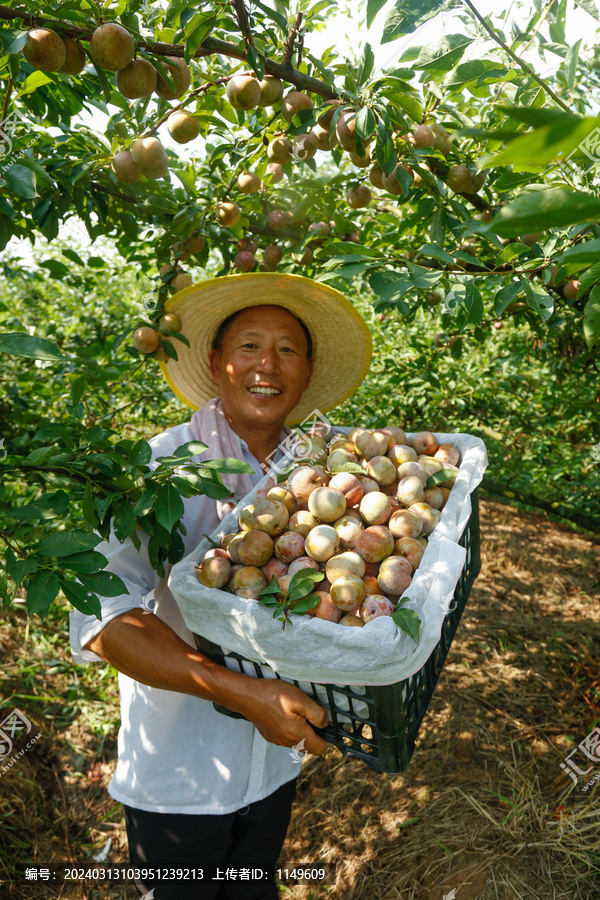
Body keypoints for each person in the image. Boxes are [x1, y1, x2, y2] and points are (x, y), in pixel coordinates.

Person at [69, 272, 372, 899]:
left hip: (272, 770)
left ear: (308, 370)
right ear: (216, 362)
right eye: (249, 346)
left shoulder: (318, 472)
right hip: (181, 774)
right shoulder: (156, 471)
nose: (269, 364)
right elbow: (102, 618)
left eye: (288, 349)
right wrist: (240, 691)